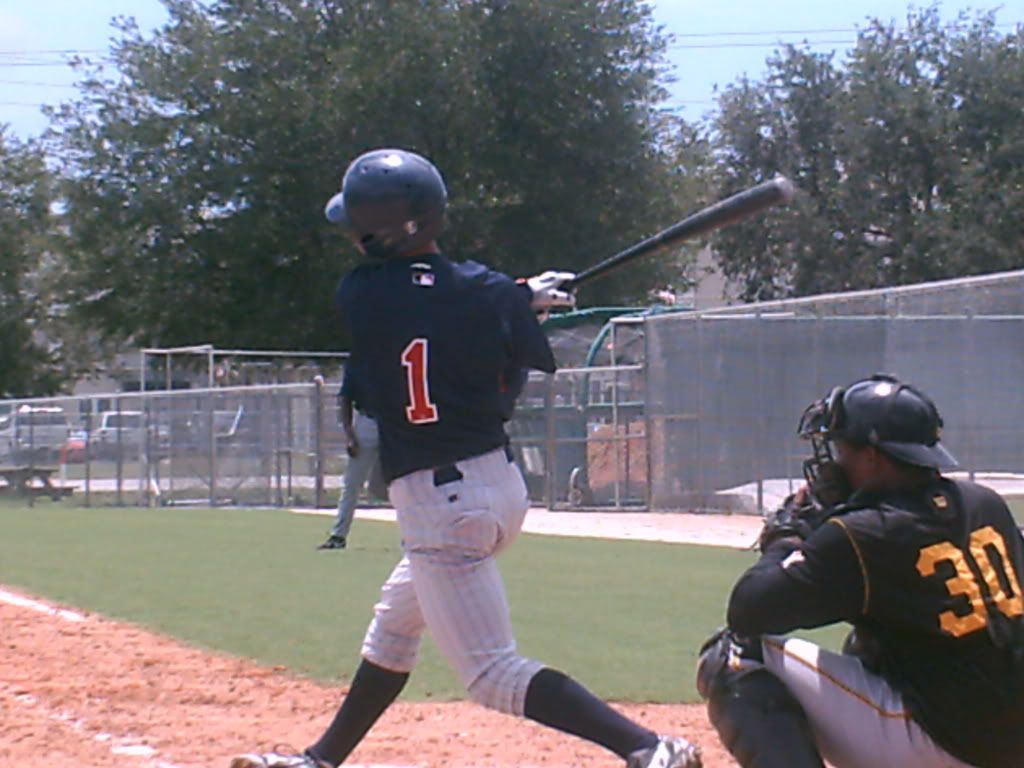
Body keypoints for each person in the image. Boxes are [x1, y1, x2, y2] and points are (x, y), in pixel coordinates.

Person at [231, 148, 701, 768]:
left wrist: (518, 294)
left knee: (491, 673)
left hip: (440, 505)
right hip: (496, 488)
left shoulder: (362, 294)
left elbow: (429, 300)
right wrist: (523, 296)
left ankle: (650, 750)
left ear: (380, 234)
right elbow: (483, 315)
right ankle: (320, 761)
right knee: (393, 631)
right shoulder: (484, 293)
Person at [696, 373, 1024, 768]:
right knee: (865, 649)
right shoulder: (984, 503)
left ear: (872, 456)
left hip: (946, 744)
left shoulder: (861, 532)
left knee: (731, 652)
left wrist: (788, 536)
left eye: (841, 448)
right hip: (1011, 737)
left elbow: (748, 610)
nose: (835, 459)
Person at [318, 386, 379, 551]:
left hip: (395, 423)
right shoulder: (359, 362)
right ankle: (338, 535)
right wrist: (350, 435)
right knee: (352, 483)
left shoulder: (395, 361)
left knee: (404, 483)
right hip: (367, 421)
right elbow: (346, 399)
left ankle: (412, 538)